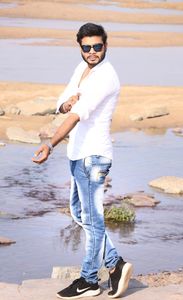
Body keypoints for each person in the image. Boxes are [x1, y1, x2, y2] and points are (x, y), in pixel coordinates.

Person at [32, 23, 133, 299]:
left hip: (94, 156)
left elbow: (77, 115)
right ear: (80, 47)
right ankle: (115, 264)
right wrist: (66, 103)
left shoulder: (105, 77)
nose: (92, 52)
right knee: (80, 213)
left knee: (93, 218)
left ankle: (89, 279)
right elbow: (64, 100)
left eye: (97, 47)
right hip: (78, 153)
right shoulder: (83, 70)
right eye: (86, 47)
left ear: (106, 46)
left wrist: (49, 144)